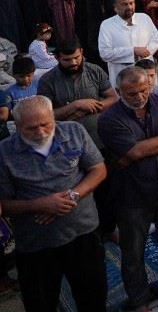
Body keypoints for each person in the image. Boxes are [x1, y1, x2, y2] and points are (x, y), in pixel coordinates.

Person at [97, 67, 158, 311]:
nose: (139, 97)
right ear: (119, 91)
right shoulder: (109, 119)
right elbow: (135, 152)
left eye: (144, 90)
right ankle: (139, 301)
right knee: (133, 252)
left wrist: (141, 150)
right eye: (132, 93)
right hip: (133, 195)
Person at [0, 96, 108, 312]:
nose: (40, 132)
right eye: (31, 128)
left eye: (45, 124)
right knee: (40, 302)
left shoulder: (74, 131)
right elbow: (4, 204)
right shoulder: (4, 152)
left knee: (93, 298)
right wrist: (40, 205)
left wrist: (73, 196)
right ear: (17, 126)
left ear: (53, 117)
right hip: (37, 243)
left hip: (82, 233)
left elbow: (98, 170)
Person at [98, 0, 158, 87]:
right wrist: (132, 51)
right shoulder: (107, 25)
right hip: (121, 75)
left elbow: (156, 39)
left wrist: (145, 52)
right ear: (115, 7)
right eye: (124, 4)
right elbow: (105, 53)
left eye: (131, 3)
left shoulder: (144, 18)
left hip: (146, 73)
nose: (129, 7)